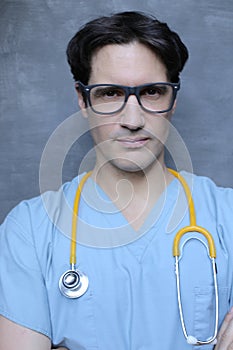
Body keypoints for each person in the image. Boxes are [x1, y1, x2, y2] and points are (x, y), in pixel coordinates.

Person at [0, 10, 233, 350]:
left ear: (173, 99)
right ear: (82, 99)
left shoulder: (227, 215)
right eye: (110, 93)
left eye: (152, 91)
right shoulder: (31, 230)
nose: (133, 119)